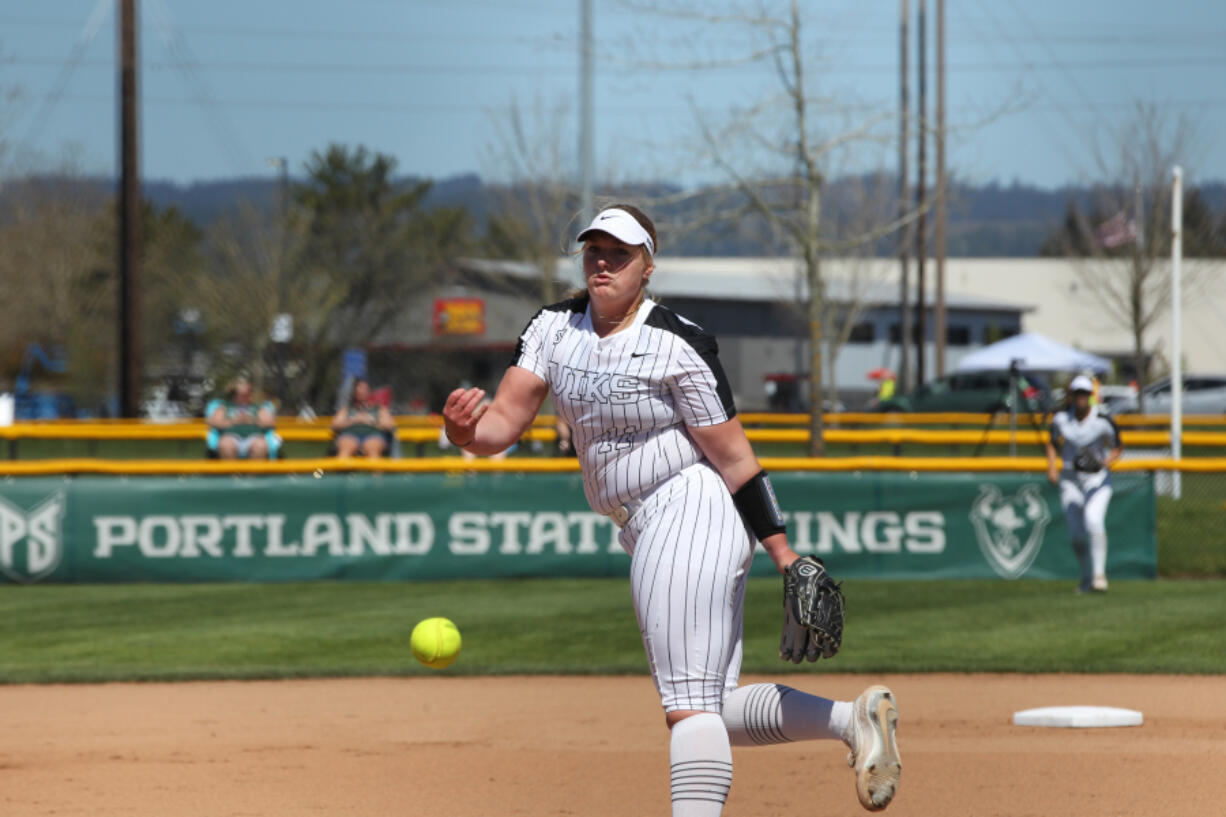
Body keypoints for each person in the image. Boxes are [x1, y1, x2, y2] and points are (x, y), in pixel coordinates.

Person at [443, 205, 901, 815]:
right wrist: (463, 434)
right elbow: (503, 421)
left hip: (691, 502)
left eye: (619, 252)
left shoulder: (678, 343)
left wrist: (784, 554)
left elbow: (736, 461)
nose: (603, 262)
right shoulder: (553, 327)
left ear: (648, 266)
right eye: (593, 251)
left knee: (687, 706)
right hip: (640, 522)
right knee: (706, 703)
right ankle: (854, 722)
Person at [1045, 374, 1124, 593]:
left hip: (1096, 480)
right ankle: (1087, 577)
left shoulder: (1102, 419)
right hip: (1070, 479)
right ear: (1071, 395)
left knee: (1093, 520)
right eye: (1077, 393)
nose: (1081, 398)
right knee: (1076, 535)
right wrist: (1051, 466)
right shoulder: (1061, 418)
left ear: (1091, 396)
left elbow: (1118, 446)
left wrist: (1104, 463)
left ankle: (1100, 576)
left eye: (1085, 394)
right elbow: (1052, 442)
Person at [206, 377, 279, 460]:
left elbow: (270, 422)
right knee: (226, 445)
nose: (246, 397)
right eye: (242, 395)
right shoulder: (225, 407)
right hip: (230, 436)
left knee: (261, 445)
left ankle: (252, 473)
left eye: (248, 394)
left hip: (254, 437)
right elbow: (213, 422)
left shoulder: (258, 408)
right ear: (235, 395)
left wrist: (252, 421)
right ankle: (233, 472)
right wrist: (234, 421)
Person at [332, 378, 396, 458]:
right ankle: (341, 468)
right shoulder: (347, 409)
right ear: (354, 392)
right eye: (359, 388)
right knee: (346, 447)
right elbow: (335, 425)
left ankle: (376, 468)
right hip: (350, 435)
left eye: (364, 388)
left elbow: (389, 426)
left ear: (369, 391)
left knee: (373, 447)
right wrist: (353, 421)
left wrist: (369, 421)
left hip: (374, 435)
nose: (362, 391)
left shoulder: (379, 409)